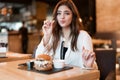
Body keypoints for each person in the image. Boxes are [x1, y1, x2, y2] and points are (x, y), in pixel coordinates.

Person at [35, 0, 97, 68]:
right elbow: (38, 58)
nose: (62, 17)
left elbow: (93, 67)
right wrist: (46, 36)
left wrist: (88, 65)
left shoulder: (83, 36)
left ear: (73, 16)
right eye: (59, 13)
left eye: (67, 13)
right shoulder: (53, 36)